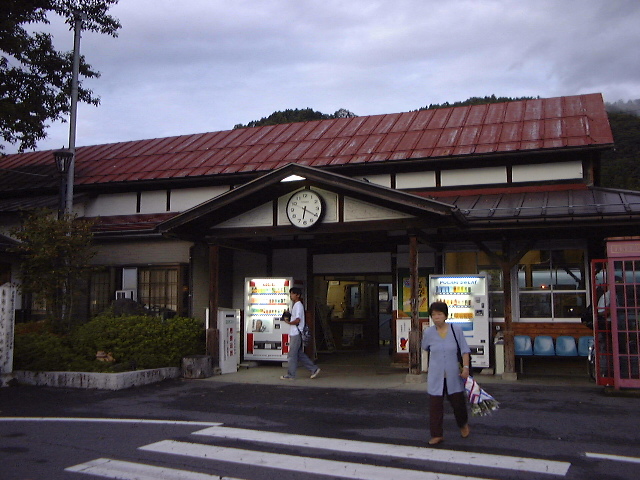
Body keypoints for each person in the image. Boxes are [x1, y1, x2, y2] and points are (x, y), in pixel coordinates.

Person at [421, 301, 471, 445]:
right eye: (434, 315)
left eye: (439, 314)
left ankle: (463, 424)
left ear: (445, 316)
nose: (436, 317)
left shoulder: (456, 330)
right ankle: (437, 434)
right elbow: (425, 347)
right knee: (435, 406)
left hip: (454, 374)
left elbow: (464, 351)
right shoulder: (428, 332)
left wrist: (466, 368)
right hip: (435, 375)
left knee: (458, 403)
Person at [280, 287, 321, 380]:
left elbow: (298, 320)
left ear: (297, 295)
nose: (291, 296)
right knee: (298, 353)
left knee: (292, 355)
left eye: (292, 294)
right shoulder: (296, 305)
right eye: (290, 294)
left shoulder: (298, 305)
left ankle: (291, 375)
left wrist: (288, 322)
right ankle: (313, 368)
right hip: (296, 332)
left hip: (296, 333)